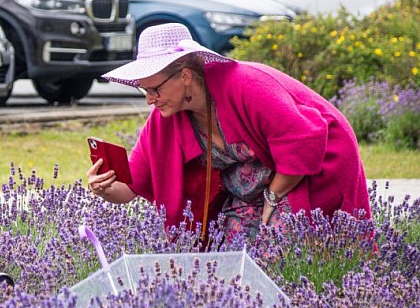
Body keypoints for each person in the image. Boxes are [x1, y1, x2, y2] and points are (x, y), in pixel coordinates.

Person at [87, 23, 371, 240]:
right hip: (254, 189)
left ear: (185, 76)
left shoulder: (246, 85)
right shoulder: (165, 117)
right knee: (232, 258)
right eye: (144, 90)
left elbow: (303, 140)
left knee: (287, 251)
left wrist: (271, 200)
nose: (149, 99)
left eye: (154, 89)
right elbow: (130, 187)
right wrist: (105, 187)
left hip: (314, 163)